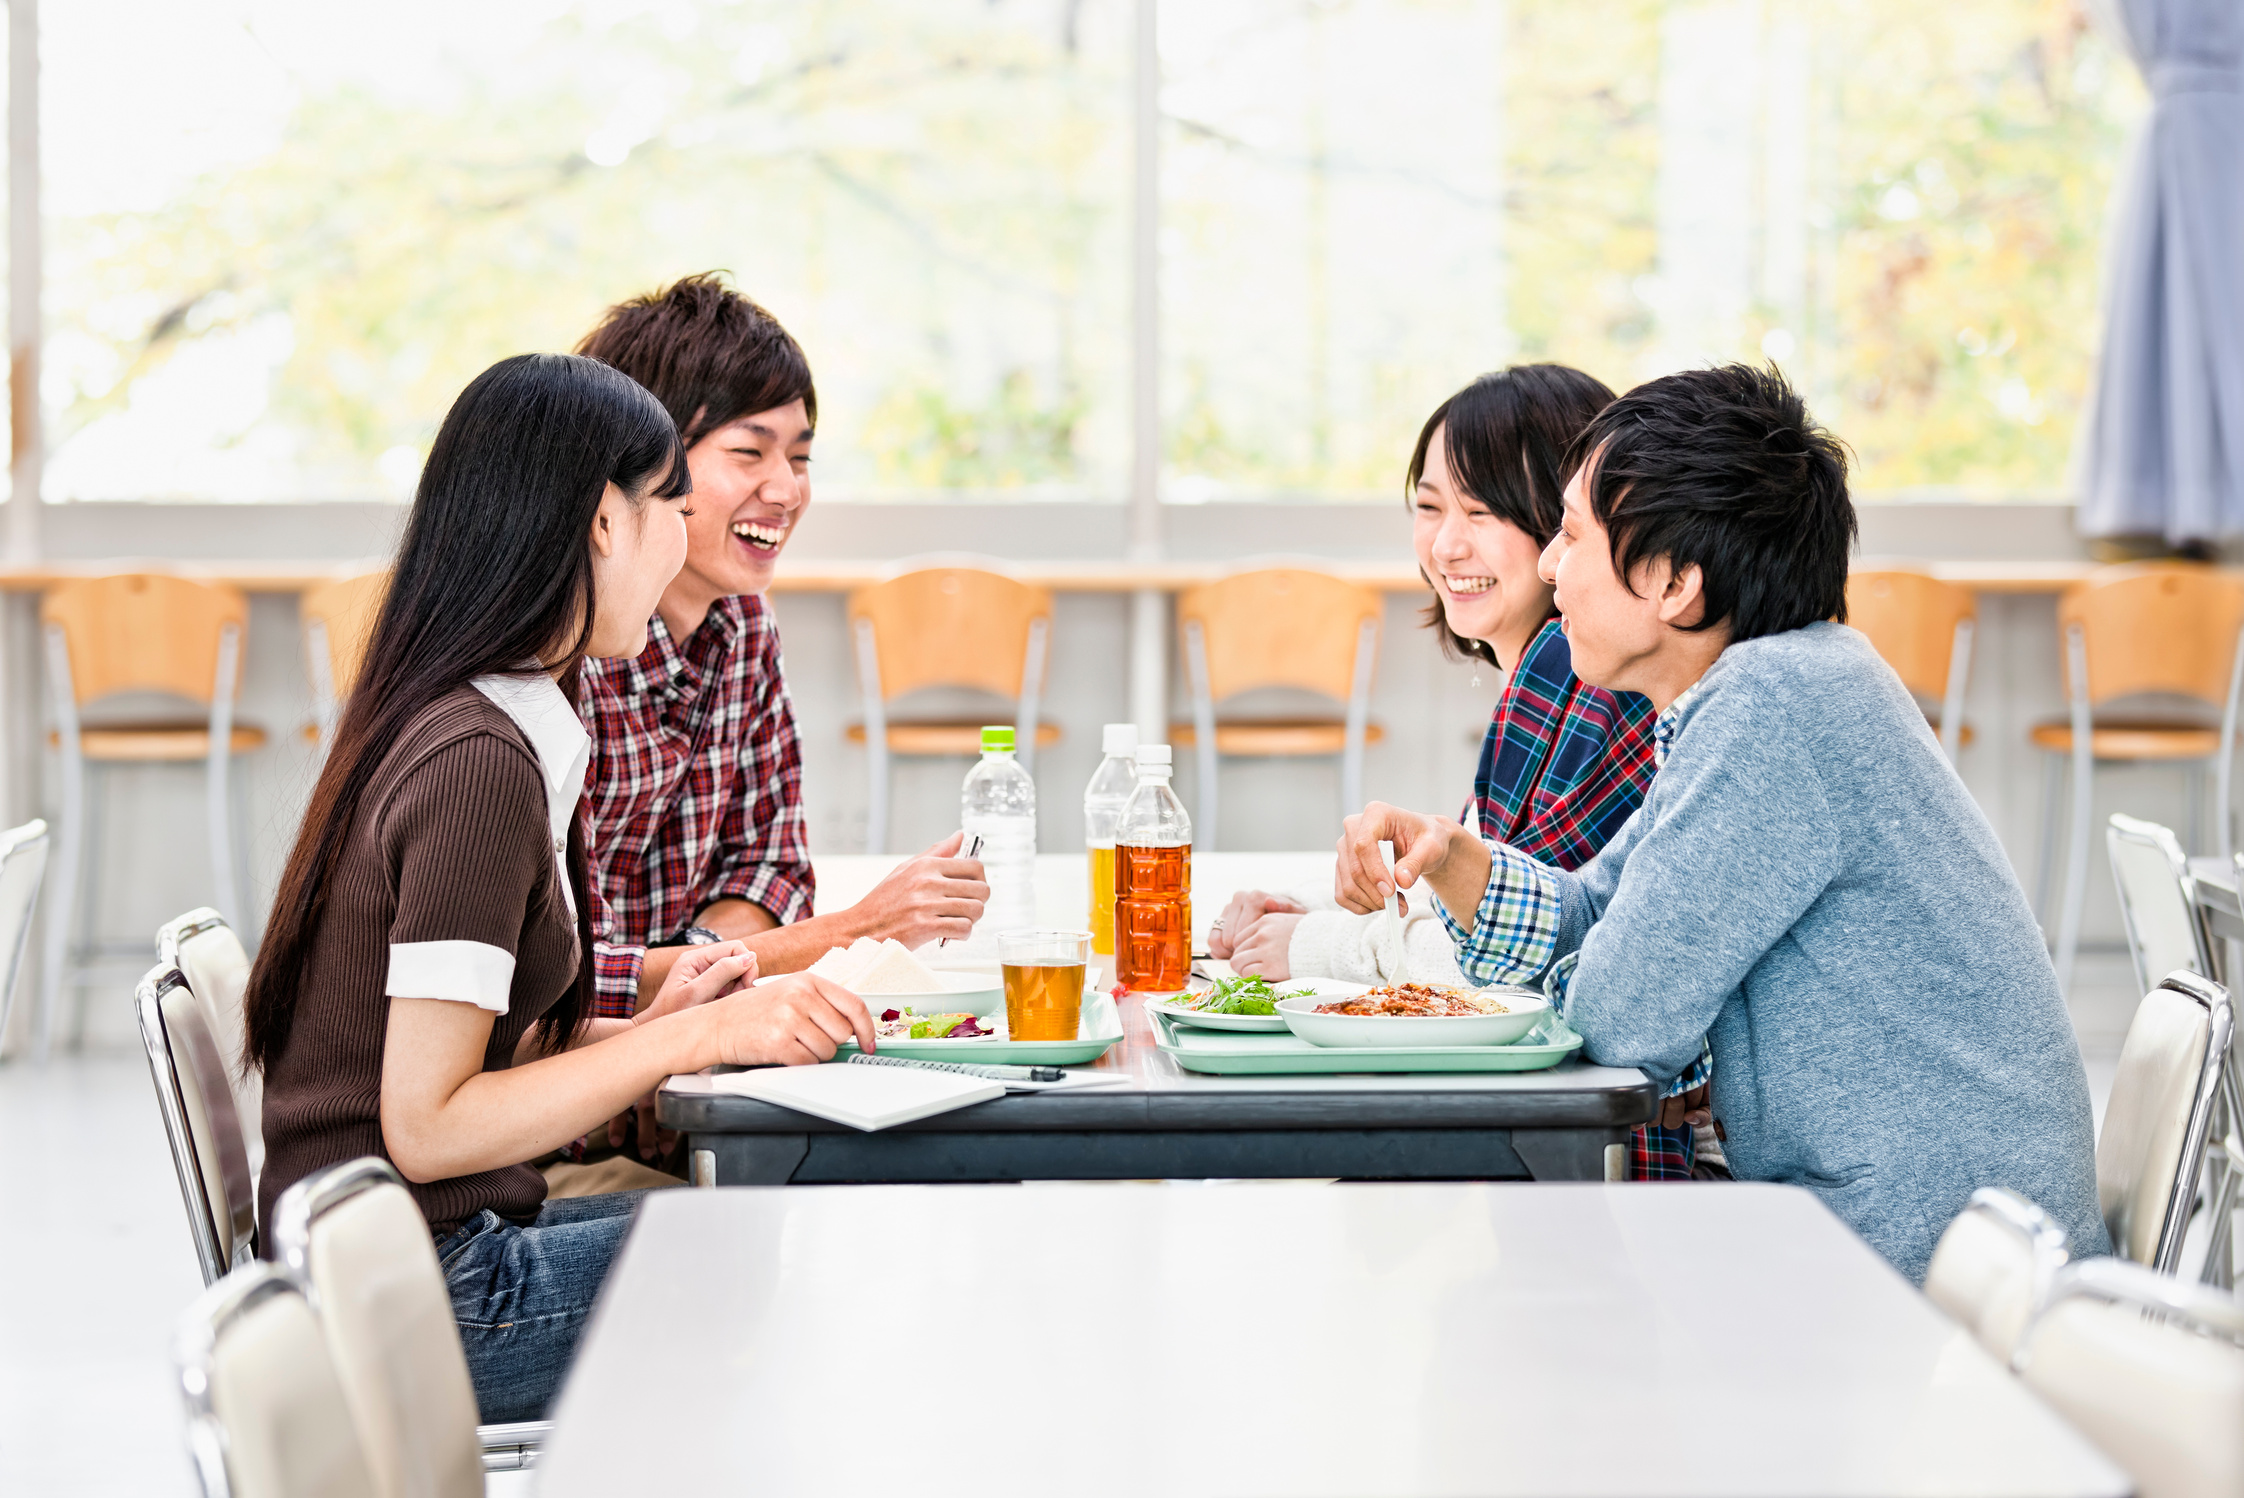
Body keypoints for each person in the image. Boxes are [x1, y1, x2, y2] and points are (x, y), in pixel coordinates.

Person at [1334, 364, 2106, 1278]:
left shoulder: (1773, 709)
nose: (1550, 565)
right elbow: (1598, 908)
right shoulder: (1761, 690)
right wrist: (1452, 858)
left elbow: (1621, 1028)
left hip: (1920, 1261)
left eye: (1572, 535)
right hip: (1899, 1224)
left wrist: (1582, 965)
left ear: (1673, 583)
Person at [246, 353, 878, 1423]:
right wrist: (676, 1046)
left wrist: (650, 1022)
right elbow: (431, 1127)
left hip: (406, 1263)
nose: (682, 540)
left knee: (757, 1232)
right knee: (816, 1264)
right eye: (670, 503)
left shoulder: (473, 720)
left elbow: (478, 1053)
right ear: (601, 522)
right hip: (418, 1297)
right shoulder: (478, 766)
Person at [1208, 365, 1708, 1180]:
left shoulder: (1575, 674)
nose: (1447, 545)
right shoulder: (1548, 674)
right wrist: (1300, 921)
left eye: (1484, 512)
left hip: (1613, 1160)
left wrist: (1315, 944)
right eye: (1431, 507)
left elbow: (1527, 974)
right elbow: (1486, 919)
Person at [572, 275, 988, 1022]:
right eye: (749, 451)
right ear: (642, 462)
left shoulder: (744, 623)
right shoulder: (556, 654)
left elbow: (771, 871)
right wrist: (859, 929)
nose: (787, 490)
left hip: (674, 1050)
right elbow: (562, 979)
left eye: (799, 458)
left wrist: (697, 976)